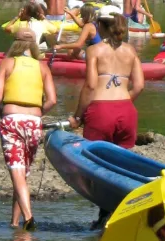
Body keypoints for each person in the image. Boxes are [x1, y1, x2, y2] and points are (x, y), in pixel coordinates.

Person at [68, 7, 143, 226]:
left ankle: (103, 217)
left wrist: (78, 116)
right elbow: (139, 86)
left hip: (101, 110)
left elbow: (91, 85)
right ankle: (121, 215)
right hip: (126, 111)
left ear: (100, 25)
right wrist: (122, 100)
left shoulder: (94, 51)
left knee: (98, 166)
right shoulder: (131, 51)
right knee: (122, 165)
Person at [0, 36, 56, 231]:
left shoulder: (7, 63)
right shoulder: (43, 67)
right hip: (34, 123)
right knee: (22, 173)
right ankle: (14, 223)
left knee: (17, 171)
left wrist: (2, 113)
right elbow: (52, 100)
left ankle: (28, 217)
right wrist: (37, 115)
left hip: (12, 120)